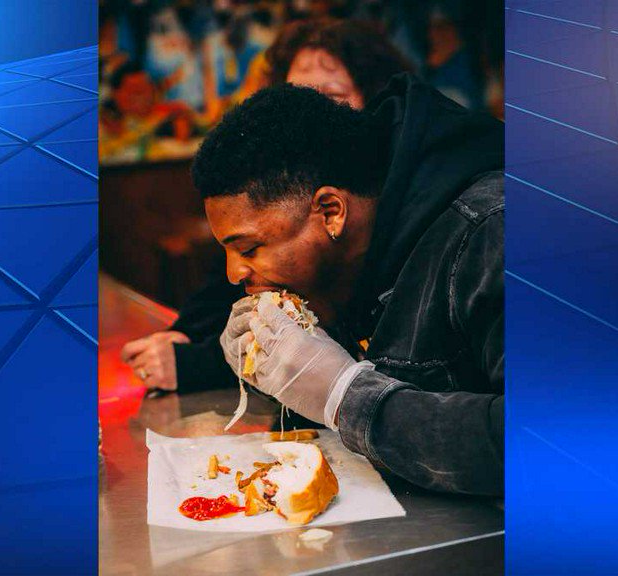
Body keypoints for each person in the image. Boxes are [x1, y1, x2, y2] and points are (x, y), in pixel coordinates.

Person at [195, 79, 504, 496]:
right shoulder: (339, 268)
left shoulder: (494, 232)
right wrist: (272, 370)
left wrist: (344, 395)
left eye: (249, 248)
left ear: (330, 212)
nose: (234, 273)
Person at [122, 18, 411, 394]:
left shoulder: (399, 208)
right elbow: (227, 284)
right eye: (295, 94)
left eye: (330, 97)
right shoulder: (277, 204)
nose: (308, 113)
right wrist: (184, 333)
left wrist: (199, 364)